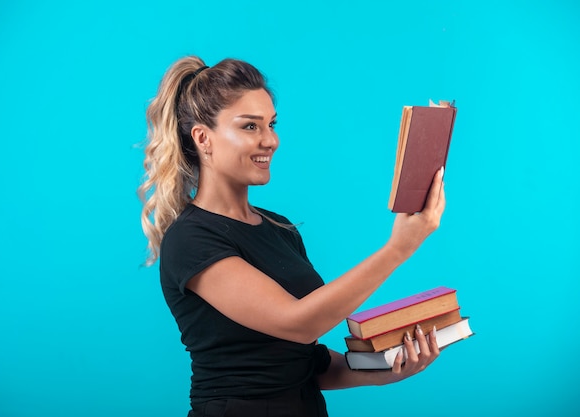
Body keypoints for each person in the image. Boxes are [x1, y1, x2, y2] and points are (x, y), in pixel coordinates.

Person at [139, 56, 446, 417]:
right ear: (203, 138)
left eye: (271, 124)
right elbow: (299, 324)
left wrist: (389, 366)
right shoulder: (190, 240)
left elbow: (306, 361)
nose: (271, 140)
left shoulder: (279, 228)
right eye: (250, 127)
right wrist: (399, 248)